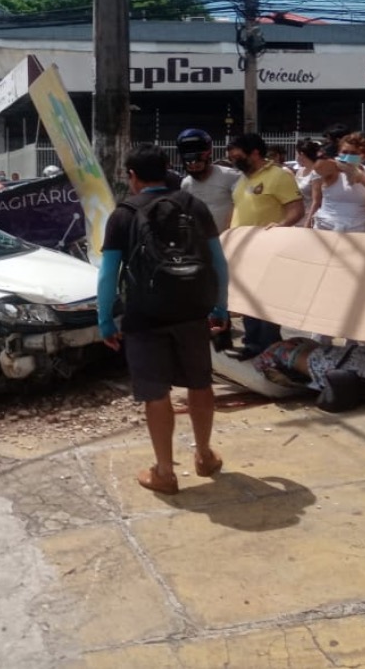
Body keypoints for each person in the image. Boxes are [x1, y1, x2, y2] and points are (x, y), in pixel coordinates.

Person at [97, 144, 230, 495]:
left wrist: (105, 321)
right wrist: (220, 307)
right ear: (168, 169)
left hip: (144, 315)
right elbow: (219, 262)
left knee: (156, 393)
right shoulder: (194, 206)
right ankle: (204, 456)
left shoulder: (123, 214)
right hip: (192, 310)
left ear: (133, 176)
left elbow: (108, 274)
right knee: (199, 384)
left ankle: (165, 473)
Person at [227, 133, 304, 356]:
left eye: (237, 155)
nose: (233, 159)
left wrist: (280, 227)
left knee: (267, 300)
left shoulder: (279, 176)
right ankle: (252, 344)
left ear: (255, 153)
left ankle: (271, 347)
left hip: (268, 250)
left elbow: (296, 209)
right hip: (242, 248)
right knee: (247, 298)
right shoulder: (242, 179)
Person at [307, 139, 365, 233]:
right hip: (327, 227)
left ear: (363, 155)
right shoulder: (332, 170)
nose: (348, 156)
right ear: (338, 153)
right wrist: (345, 168)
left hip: (360, 229)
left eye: (353, 153)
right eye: (344, 152)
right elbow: (318, 167)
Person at [177, 128, 238, 233]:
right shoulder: (186, 184)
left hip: (228, 240)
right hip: (200, 243)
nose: (194, 168)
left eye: (198, 165)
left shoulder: (231, 176)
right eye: (191, 167)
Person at [293, 139, 322, 214]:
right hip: (299, 212)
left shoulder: (316, 173)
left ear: (301, 154)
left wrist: (308, 221)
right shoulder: (300, 171)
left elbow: (316, 201)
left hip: (310, 213)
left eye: (296, 153)